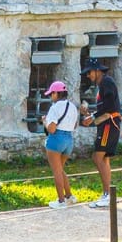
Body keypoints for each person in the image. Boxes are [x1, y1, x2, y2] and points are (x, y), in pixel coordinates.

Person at [79, 58, 122, 208]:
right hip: (107, 125)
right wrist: (91, 114)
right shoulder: (103, 84)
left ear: (97, 71)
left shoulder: (106, 82)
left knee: (98, 157)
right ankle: (108, 194)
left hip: (108, 125)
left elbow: (110, 105)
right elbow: (106, 106)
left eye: (89, 72)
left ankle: (107, 194)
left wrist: (93, 116)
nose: (88, 76)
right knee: (104, 159)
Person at [40, 80, 79, 209]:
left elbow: (51, 129)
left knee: (56, 171)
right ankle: (69, 196)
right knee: (61, 170)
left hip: (56, 140)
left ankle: (61, 201)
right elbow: (75, 125)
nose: (51, 97)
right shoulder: (72, 106)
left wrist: (45, 121)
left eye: (52, 94)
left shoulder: (54, 108)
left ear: (56, 93)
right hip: (69, 139)